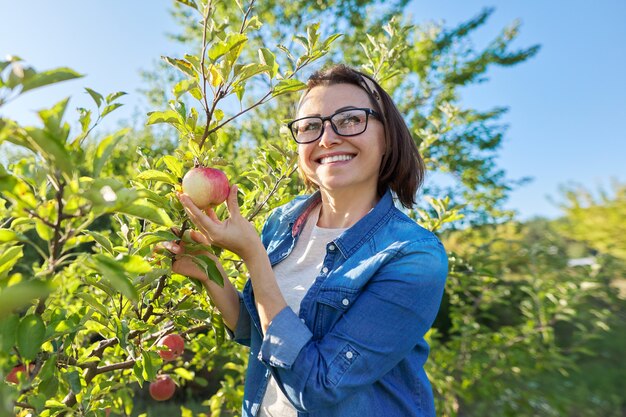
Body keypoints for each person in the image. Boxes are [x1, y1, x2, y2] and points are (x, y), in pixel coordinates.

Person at [163, 64, 448, 417]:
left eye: (349, 119)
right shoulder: (284, 222)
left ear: (387, 136)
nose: (327, 138)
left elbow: (320, 387)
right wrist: (210, 270)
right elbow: (259, 331)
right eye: (311, 126)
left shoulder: (413, 256)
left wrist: (254, 256)